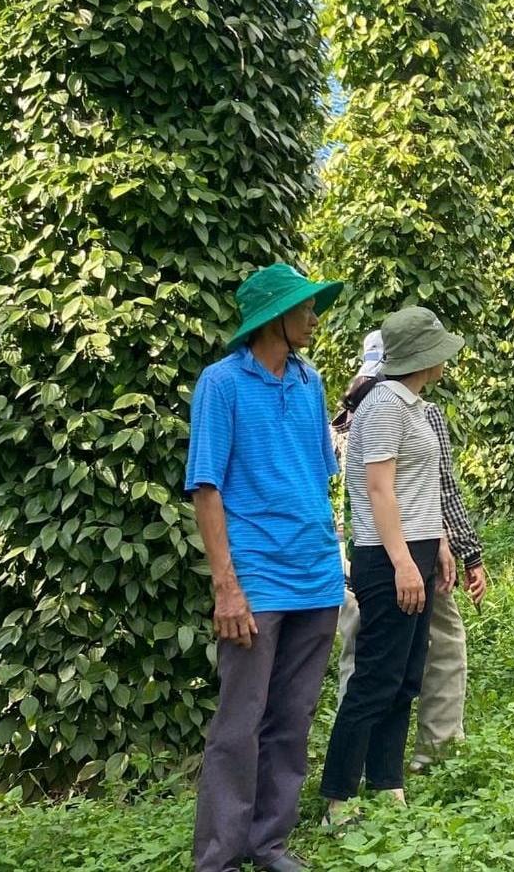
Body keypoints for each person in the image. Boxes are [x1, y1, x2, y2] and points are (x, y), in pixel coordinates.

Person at [186, 263, 346, 872]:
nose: (314, 317)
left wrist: (333, 557)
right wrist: (227, 586)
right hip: (258, 580)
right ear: (273, 318)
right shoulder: (221, 384)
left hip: (316, 577)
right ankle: (219, 859)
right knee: (238, 724)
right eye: (304, 308)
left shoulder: (310, 383)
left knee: (293, 717)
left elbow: (316, 479)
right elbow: (207, 490)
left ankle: (269, 844)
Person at [320, 307, 466, 822]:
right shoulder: (383, 405)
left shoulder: (415, 406)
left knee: (405, 677)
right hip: (388, 557)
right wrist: (404, 563)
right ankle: (339, 796)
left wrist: (440, 544)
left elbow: (417, 488)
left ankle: (388, 783)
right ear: (423, 357)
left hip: (419, 549)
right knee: (374, 679)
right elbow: (378, 491)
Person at [333, 332, 491, 771]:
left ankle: (377, 769)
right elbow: (419, 489)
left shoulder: (348, 413)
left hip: (370, 549)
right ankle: (428, 754)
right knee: (415, 656)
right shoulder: (398, 410)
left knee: (367, 658)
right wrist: (451, 551)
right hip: (397, 554)